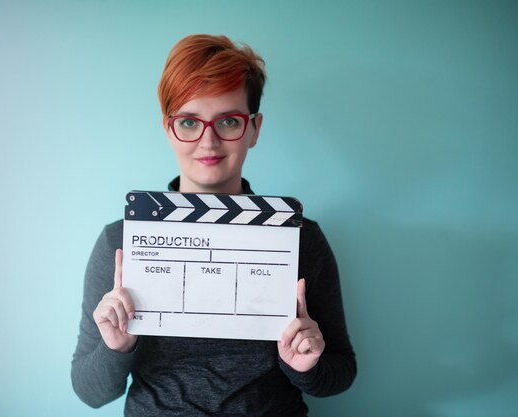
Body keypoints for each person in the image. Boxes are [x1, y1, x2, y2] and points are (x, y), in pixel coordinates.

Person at [71, 34, 356, 416]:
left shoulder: (300, 237)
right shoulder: (120, 241)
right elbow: (90, 392)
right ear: (168, 128)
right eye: (189, 121)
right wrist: (116, 347)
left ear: (254, 128)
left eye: (228, 121)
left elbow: (341, 373)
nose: (208, 141)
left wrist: (306, 364)